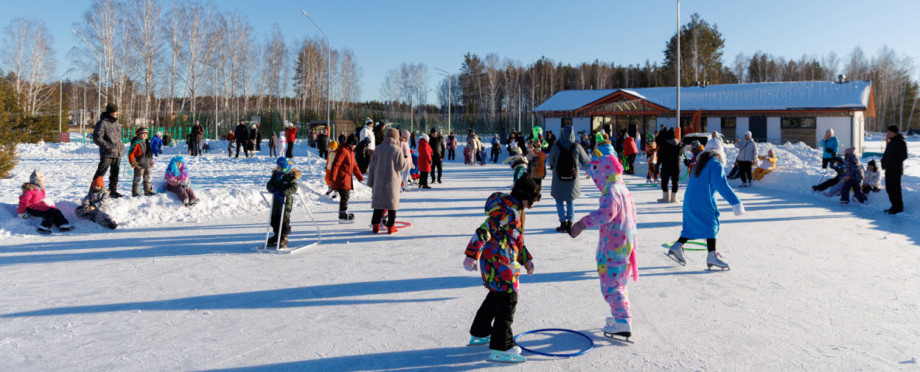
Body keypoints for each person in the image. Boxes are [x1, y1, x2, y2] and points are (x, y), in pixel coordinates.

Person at [462, 174, 539, 363]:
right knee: (508, 301)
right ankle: (501, 347)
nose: (531, 206)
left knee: (496, 297)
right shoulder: (508, 211)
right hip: (501, 264)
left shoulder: (511, 208)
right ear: (523, 196)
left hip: (495, 262)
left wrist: (526, 260)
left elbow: (516, 240)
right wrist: (471, 254)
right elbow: (484, 229)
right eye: (531, 201)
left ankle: (480, 332)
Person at [568, 152, 638, 339]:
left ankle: (623, 321)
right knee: (620, 284)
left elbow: (605, 213)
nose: (594, 181)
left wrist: (581, 224)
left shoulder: (612, 192)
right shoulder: (623, 188)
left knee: (611, 287)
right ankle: (619, 317)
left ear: (603, 173)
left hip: (614, 248)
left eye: (594, 177)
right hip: (625, 245)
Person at [666, 147, 745, 270]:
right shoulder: (715, 165)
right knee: (711, 225)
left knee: (692, 226)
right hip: (702, 201)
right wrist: (736, 203)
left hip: (690, 201)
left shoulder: (701, 163)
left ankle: (677, 245)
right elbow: (722, 186)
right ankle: (712, 256)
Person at [367, 128, 410, 234]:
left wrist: (371, 182)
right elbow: (401, 166)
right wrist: (404, 159)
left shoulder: (378, 148)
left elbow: (372, 166)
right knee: (392, 204)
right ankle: (391, 226)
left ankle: (375, 225)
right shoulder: (397, 149)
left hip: (379, 180)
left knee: (378, 204)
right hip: (392, 180)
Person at [549, 125, 590, 233]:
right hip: (572, 179)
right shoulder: (577, 146)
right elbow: (586, 161)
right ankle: (570, 223)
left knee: (559, 200)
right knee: (570, 200)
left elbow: (550, 160)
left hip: (558, 178)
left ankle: (562, 223)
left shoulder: (556, 146)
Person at [266, 157, 301, 249]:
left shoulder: (290, 176)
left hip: (285, 201)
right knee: (274, 220)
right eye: (277, 166)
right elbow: (269, 185)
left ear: (284, 167)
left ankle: (284, 237)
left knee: (284, 220)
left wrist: (283, 193)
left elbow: (294, 187)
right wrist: (275, 190)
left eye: (279, 166)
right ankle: (277, 235)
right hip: (276, 200)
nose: (277, 168)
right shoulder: (275, 175)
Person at [92, 102, 125, 198]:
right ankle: (94, 191)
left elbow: (118, 137)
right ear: (110, 112)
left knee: (115, 173)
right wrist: (107, 146)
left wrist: (121, 147)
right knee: (101, 173)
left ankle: (113, 190)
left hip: (117, 152)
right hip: (107, 153)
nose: (117, 113)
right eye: (115, 112)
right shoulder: (102, 123)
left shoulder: (116, 123)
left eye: (117, 111)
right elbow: (97, 138)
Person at [329, 134, 364, 222]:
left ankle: (343, 212)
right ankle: (342, 213)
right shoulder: (344, 151)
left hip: (347, 177)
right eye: (355, 144)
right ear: (351, 143)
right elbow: (336, 164)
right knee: (345, 195)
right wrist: (333, 177)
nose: (355, 146)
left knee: (345, 195)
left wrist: (360, 177)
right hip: (341, 178)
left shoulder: (350, 152)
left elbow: (354, 165)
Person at [881, 125, 907, 214]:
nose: (887, 134)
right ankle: (894, 206)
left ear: (894, 132)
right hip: (889, 169)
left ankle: (898, 207)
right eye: (887, 132)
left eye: (889, 132)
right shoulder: (891, 142)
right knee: (889, 188)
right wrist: (883, 162)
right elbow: (887, 155)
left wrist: (891, 162)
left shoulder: (900, 142)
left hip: (895, 169)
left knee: (895, 189)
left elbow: (904, 155)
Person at [128, 127, 156, 197]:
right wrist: (132, 162)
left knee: (148, 177)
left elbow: (149, 154)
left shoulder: (147, 143)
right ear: (138, 134)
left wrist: (151, 162)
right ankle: (136, 192)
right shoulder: (136, 143)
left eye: (146, 134)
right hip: (139, 164)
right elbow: (131, 153)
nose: (144, 135)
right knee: (138, 178)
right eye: (142, 134)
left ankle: (148, 190)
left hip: (148, 163)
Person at [657, 129, 682, 203]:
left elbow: (660, 156)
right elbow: (680, 154)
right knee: (675, 181)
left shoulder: (664, 144)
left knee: (664, 181)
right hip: (676, 166)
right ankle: (673, 198)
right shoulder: (678, 144)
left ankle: (665, 198)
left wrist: (657, 166)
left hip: (666, 165)